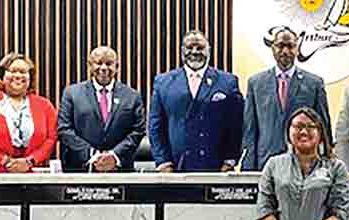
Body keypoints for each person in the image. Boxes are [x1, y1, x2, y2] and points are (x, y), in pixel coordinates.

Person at [148, 30, 243, 172]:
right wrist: (163, 162)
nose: (194, 51)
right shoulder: (163, 82)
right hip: (175, 167)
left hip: (216, 167)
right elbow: (155, 126)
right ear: (182, 51)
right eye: (189, 47)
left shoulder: (228, 82)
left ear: (209, 50)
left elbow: (237, 125)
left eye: (200, 48)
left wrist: (230, 160)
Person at [242, 27, 332, 171]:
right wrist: (248, 167)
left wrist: (326, 162)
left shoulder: (314, 83)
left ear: (297, 49)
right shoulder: (256, 83)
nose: (285, 51)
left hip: (305, 164)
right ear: (272, 48)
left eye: (290, 46)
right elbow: (250, 129)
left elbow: (323, 127)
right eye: (280, 46)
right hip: (265, 163)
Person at [0, 53, 57, 173]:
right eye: (12, 71)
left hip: (31, 176)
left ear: (30, 77)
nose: (18, 75)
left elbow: (51, 138)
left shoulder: (44, 105)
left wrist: (29, 161)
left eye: (23, 72)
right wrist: (4, 160)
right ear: (2, 75)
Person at [57, 46, 145, 172]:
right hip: (81, 169)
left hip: (120, 171)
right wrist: (93, 155)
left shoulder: (132, 96)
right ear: (89, 65)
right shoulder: (72, 93)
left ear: (117, 66)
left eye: (109, 64)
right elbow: (64, 129)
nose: (103, 68)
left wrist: (114, 156)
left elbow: (138, 130)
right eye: (98, 63)